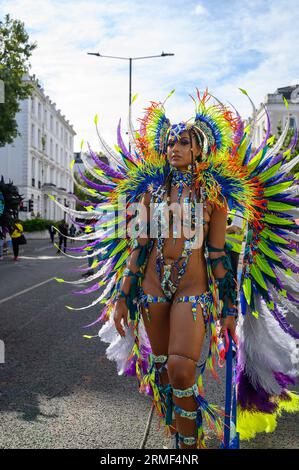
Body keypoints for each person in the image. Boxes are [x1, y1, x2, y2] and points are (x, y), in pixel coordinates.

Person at [54, 89, 299, 449]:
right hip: (152, 287)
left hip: (193, 290)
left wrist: (230, 310)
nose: (175, 148)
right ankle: (182, 434)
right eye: (170, 142)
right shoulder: (147, 194)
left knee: (182, 370)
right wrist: (122, 297)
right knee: (164, 372)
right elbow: (138, 247)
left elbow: (216, 255)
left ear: (198, 149)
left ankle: (190, 443)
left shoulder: (212, 196)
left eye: (183, 142)